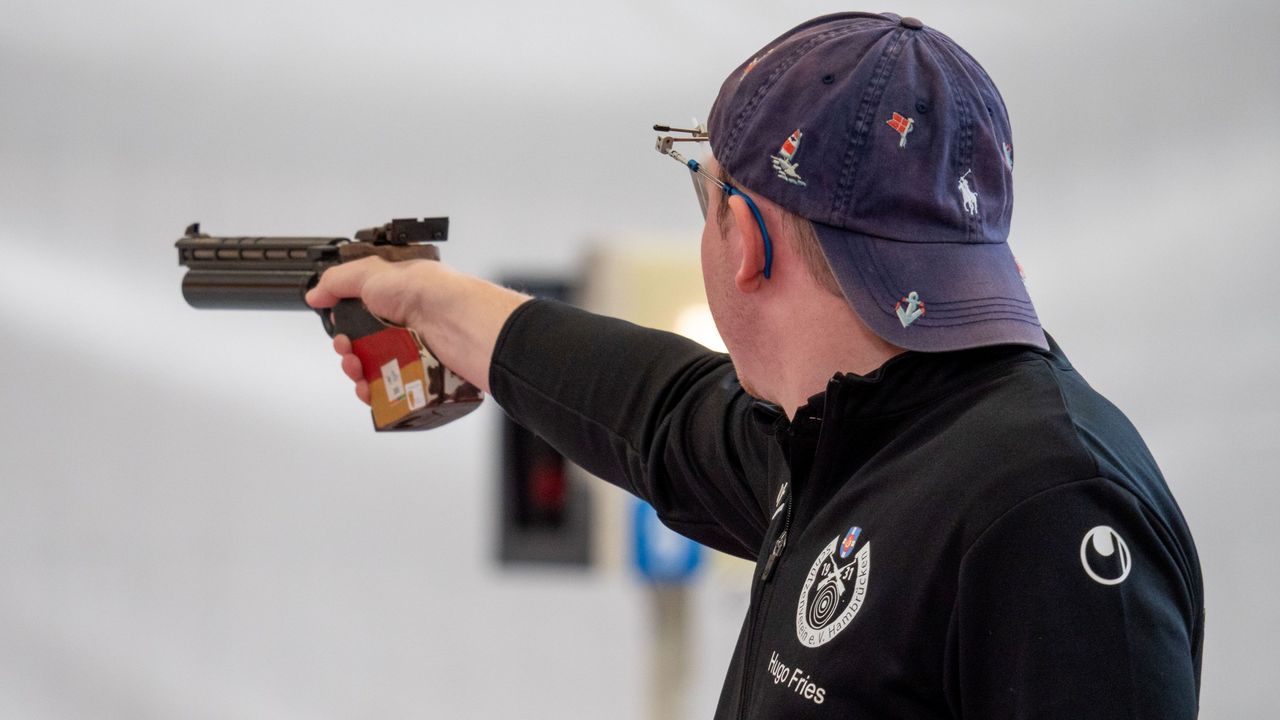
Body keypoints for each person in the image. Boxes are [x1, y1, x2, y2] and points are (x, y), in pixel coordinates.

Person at [306, 12, 1203, 719]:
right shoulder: (860, 431)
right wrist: (429, 302)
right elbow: (655, 413)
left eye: (706, 189)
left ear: (745, 238)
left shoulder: (1047, 511)